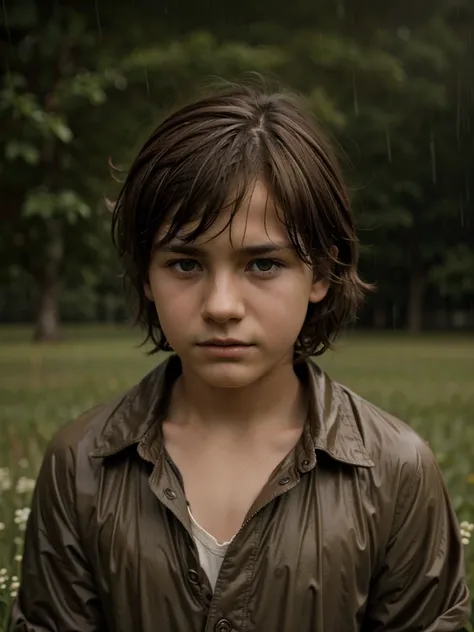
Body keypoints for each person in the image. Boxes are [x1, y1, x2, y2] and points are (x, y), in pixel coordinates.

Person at [11, 83, 470, 632]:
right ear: (146, 275)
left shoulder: (397, 471)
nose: (221, 306)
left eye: (262, 265)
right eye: (186, 263)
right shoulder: (79, 465)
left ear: (321, 273)